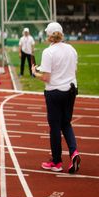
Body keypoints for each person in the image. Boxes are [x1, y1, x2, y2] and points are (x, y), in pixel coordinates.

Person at [32, 21, 81, 174]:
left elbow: (46, 77)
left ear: (49, 35)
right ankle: (74, 152)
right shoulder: (72, 49)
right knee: (66, 123)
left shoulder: (48, 52)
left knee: (55, 127)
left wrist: (35, 73)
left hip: (54, 92)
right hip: (71, 90)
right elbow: (75, 69)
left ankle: (56, 162)